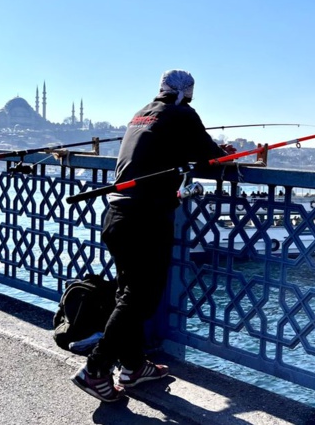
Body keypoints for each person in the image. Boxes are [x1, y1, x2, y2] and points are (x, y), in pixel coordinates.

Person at [71, 69, 235, 402]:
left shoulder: (142, 113)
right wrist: (224, 153)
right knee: (139, 297)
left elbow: (164, 150)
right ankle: (96, 369)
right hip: (144, 218)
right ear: (188, 93)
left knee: (128, 294)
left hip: (117, 214)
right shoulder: (182, 113)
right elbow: (212, 158)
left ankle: (133, 366)